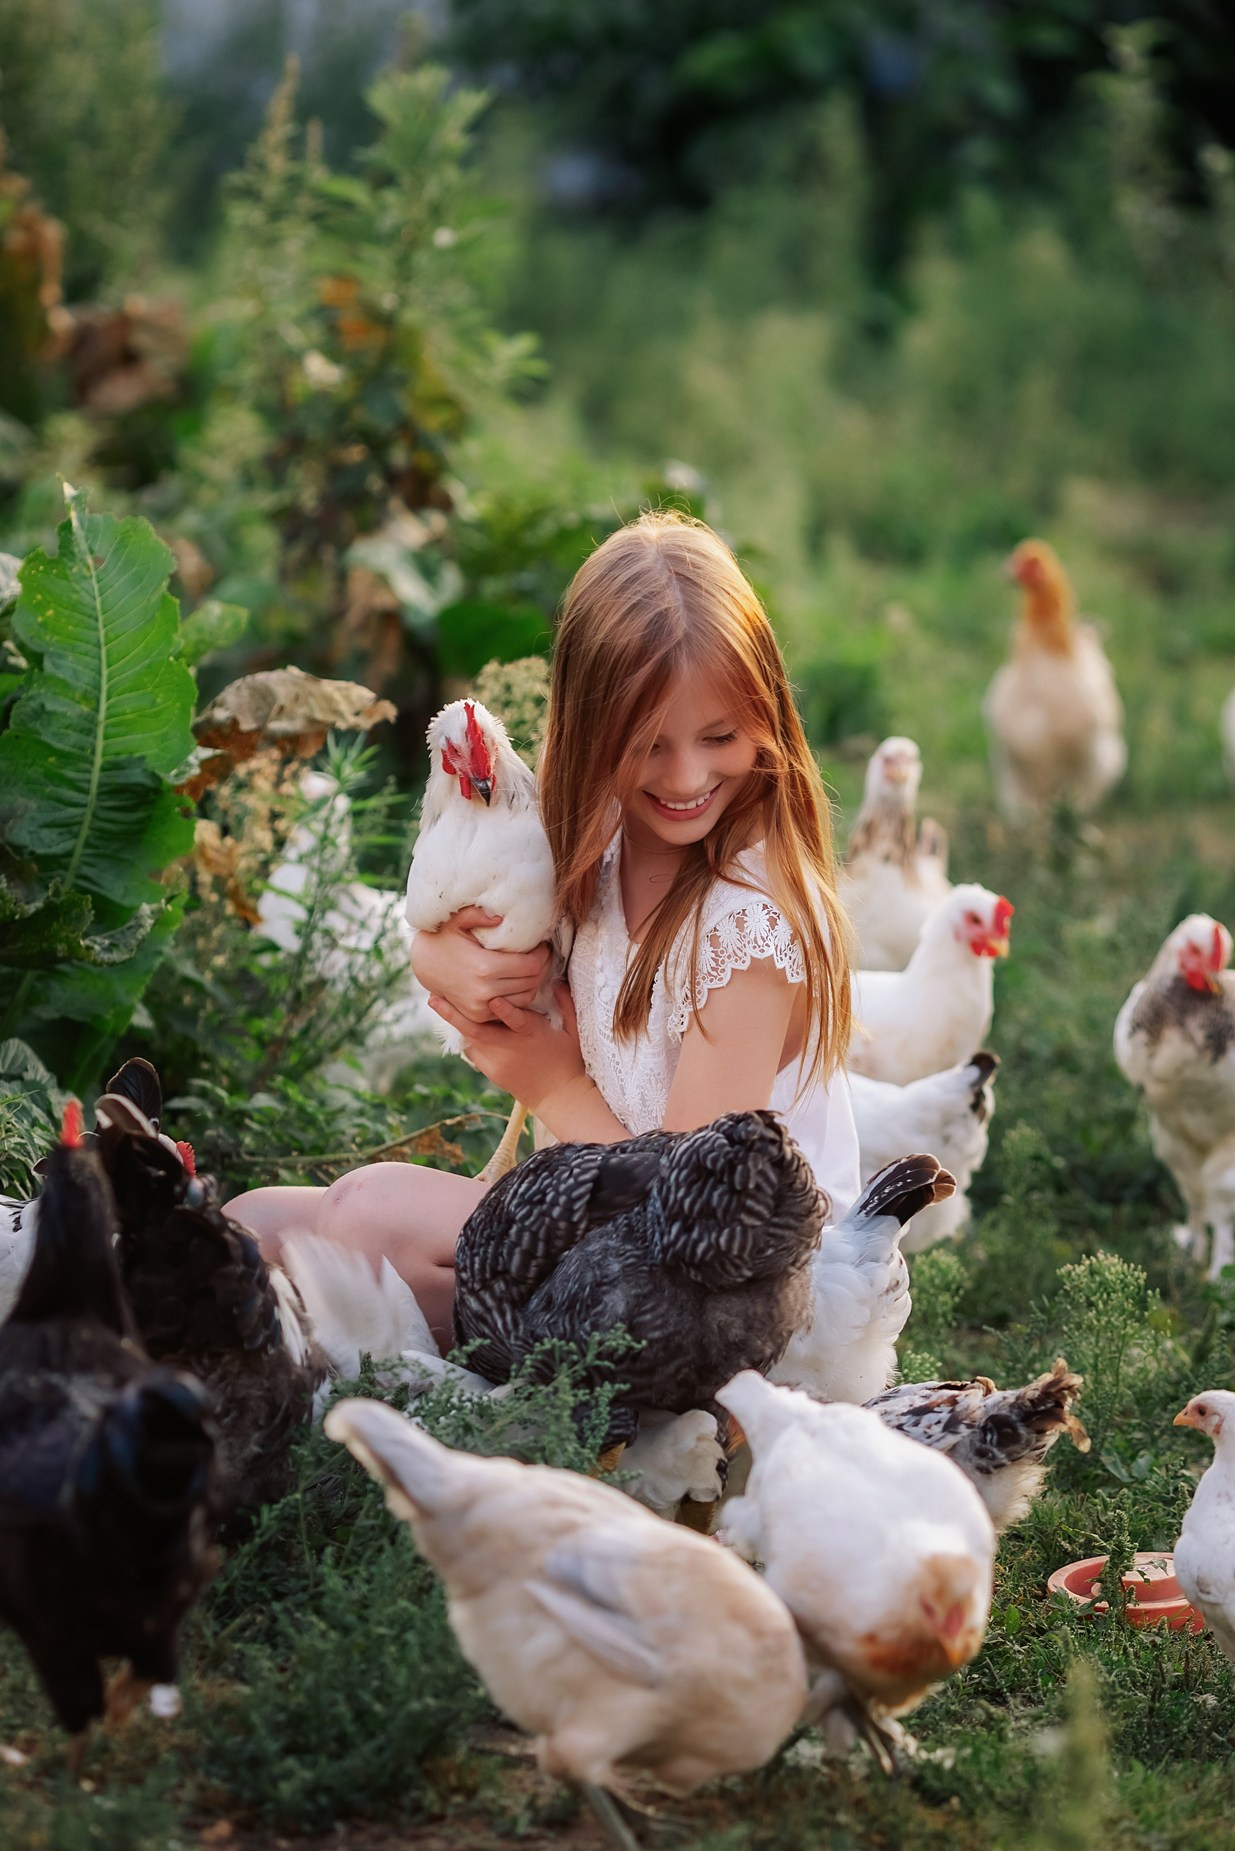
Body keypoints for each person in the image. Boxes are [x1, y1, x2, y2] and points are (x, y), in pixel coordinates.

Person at [229, 511, 860, 1348]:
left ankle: (414, 1392)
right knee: (253, 1224)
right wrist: (437, 953)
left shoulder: (747, 929)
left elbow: (694, 1215)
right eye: (648, 745)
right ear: (592, 729)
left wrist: (554, 1086)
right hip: (602, 1221)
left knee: (364, 1222)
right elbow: (466, 939)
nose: (686, 777)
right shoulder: (595, 843)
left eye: (720, 737)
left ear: (767, 717)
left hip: (727, 1297)